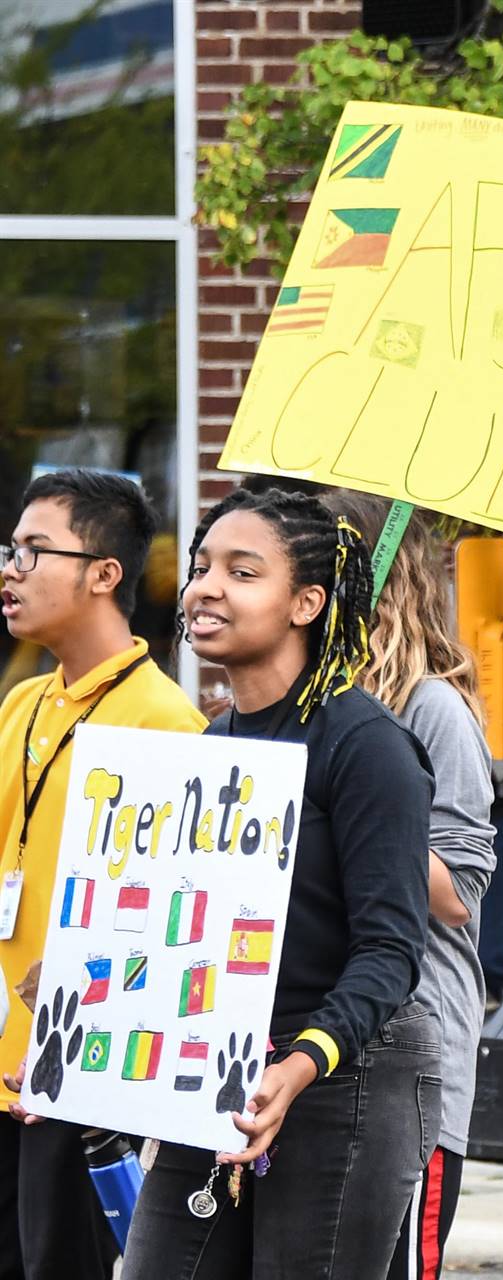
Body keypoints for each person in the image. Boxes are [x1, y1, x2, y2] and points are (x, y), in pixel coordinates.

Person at [121, 486, 438, 1279]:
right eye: (200, 568)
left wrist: (299, 1065)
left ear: (306, 602)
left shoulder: (367, 747)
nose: (205, 588)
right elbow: (186, 929)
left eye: (241, 571)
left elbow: (391, 950)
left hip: (345, 1074)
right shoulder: (213, 742)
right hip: (222, 1064)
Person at [0, 469, 205, 1278]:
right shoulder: (20, 706)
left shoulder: (163, 722)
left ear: (105, 573)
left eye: (33, 551)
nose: (11, 569)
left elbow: (170, 920)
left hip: (70, 1080)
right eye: (9, 549)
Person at [320, 492, 496, 1280]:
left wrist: (368, 797)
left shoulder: (433, 711)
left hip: (413, 1060)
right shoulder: (312, 705)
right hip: (324, 1040)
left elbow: (459, 889)